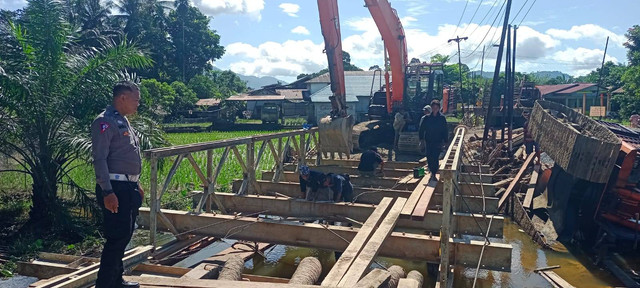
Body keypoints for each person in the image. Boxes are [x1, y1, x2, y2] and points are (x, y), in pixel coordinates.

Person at [91, 81, 143, 288]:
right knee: (117, 237)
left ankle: (116, 280)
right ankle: (104, 284)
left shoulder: (122, 120)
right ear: (122, 98)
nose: (138, 103)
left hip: (128, 187)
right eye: (136, 99)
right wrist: (107, 191)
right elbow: (100, 159)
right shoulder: (104, 122)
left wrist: (136, 183)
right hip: (115, 188)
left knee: (124, 235)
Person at [418, 99, 448, 181]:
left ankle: (434, 173)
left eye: (436, 108)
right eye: (433, 107)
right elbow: (421, 129)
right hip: (429, 140)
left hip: (438, 141)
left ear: (439, 108)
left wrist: (445, 141)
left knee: (435, 157)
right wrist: (421, 140)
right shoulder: (426, 118)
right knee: (429, 156)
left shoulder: (442, 118)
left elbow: (445, 130)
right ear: (431, 108)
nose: (435, 109)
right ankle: (431, 171)